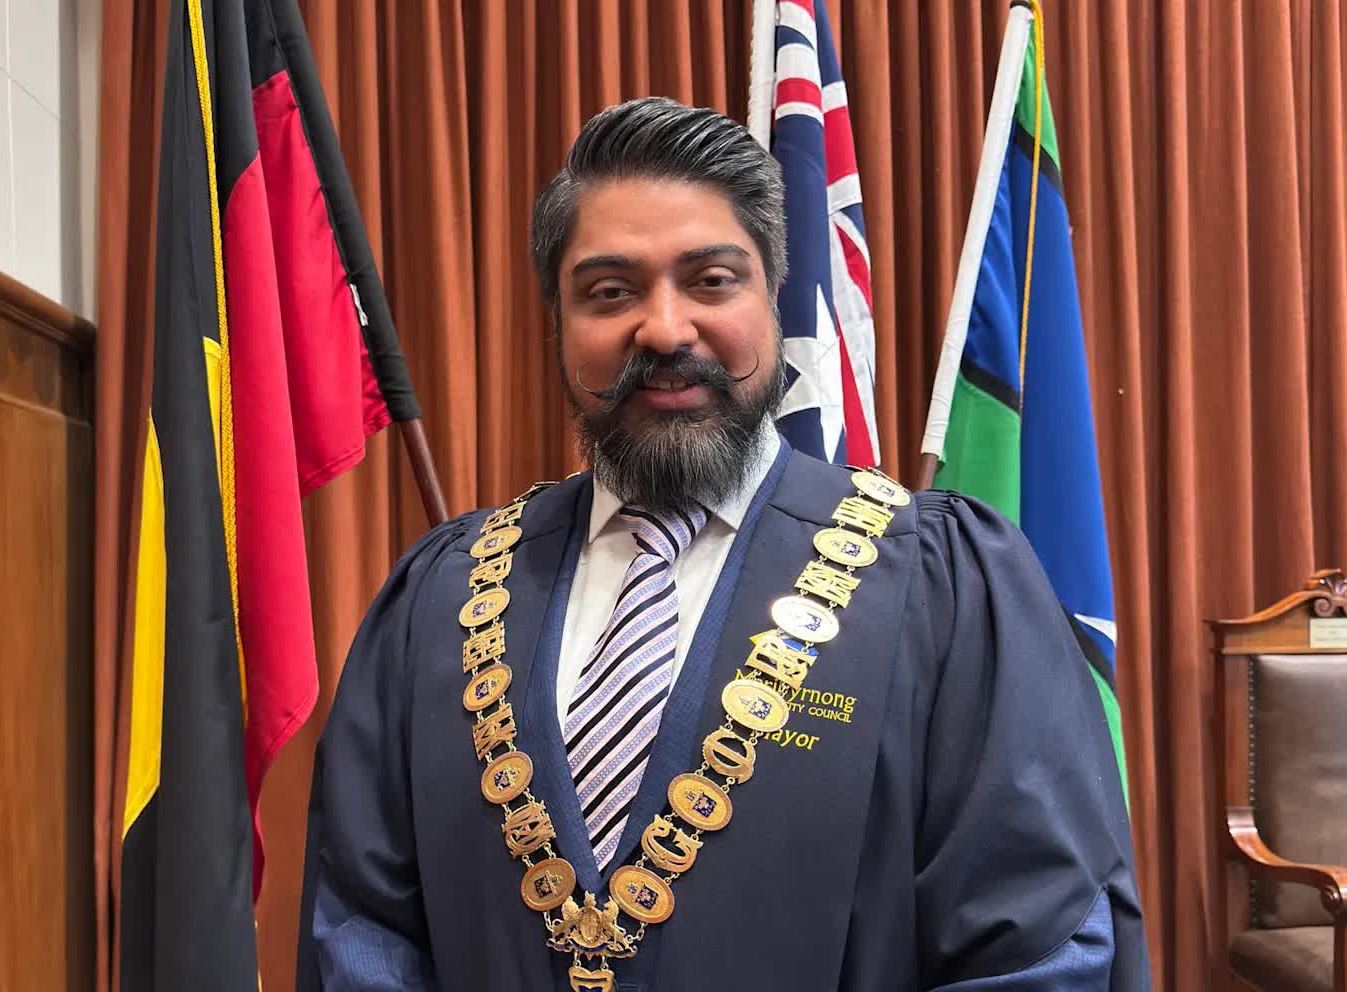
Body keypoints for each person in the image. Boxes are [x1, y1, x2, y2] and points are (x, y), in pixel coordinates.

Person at [296, 97, 1149, 992]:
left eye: (710, 281)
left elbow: (1038, 944)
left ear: (773, 298)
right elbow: (361, 929)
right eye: (609, 292)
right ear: (556, 322)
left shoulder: (942, 588)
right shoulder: (442, 598)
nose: (665, 330)